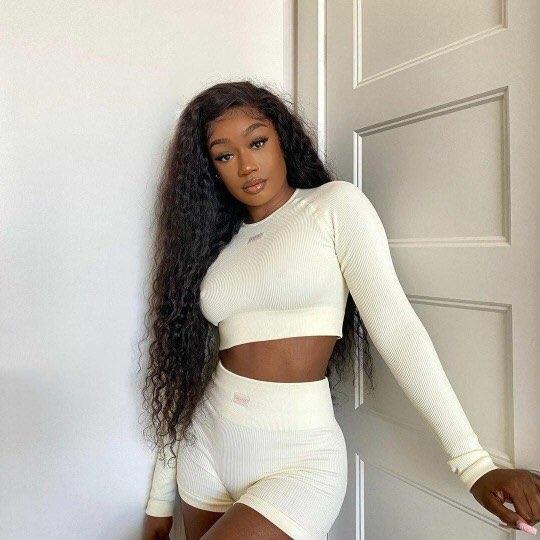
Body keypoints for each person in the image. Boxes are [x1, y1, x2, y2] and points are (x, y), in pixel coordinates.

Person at [140, 80, 540, 539]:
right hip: (205, 450)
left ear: (281, 138)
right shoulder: (216, 246)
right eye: (224, 155)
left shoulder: (333, 207)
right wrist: (159, 499)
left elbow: (397, 329)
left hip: (297, 461)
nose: (246, 165)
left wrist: (474, 464)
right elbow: (186, 368)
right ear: (209, 168)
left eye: (257, 142)